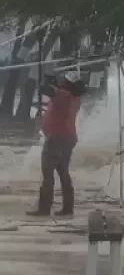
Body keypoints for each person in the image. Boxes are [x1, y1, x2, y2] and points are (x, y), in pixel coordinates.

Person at [27, 71, 84, 217]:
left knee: (47, 172)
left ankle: (44, 208)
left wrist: (46, 81)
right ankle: (67, 207)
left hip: (56, 138)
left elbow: (45, 89)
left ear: (68, 84)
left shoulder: (62, 95)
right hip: (68, 138)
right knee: (63, 173)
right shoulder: (76, 98)